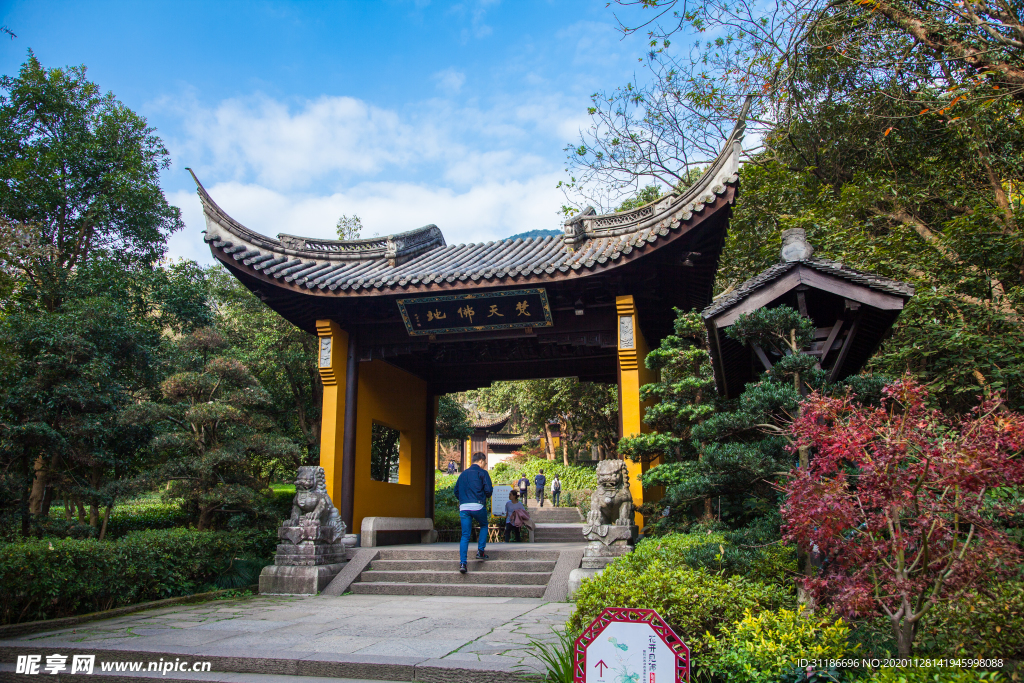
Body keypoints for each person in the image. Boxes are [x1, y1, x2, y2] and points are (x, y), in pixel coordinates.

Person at [453, 451, 493, 573]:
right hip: (478, 505)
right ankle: (480, 551)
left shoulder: (463, 474)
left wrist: (464, 500)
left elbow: (456, 491)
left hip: (464, 507)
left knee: (465, 535)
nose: (485, 465)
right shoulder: (483, 473)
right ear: (481, 461)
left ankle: (463, 564)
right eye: (485, 462)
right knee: (484, 525)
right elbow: (489, 491)